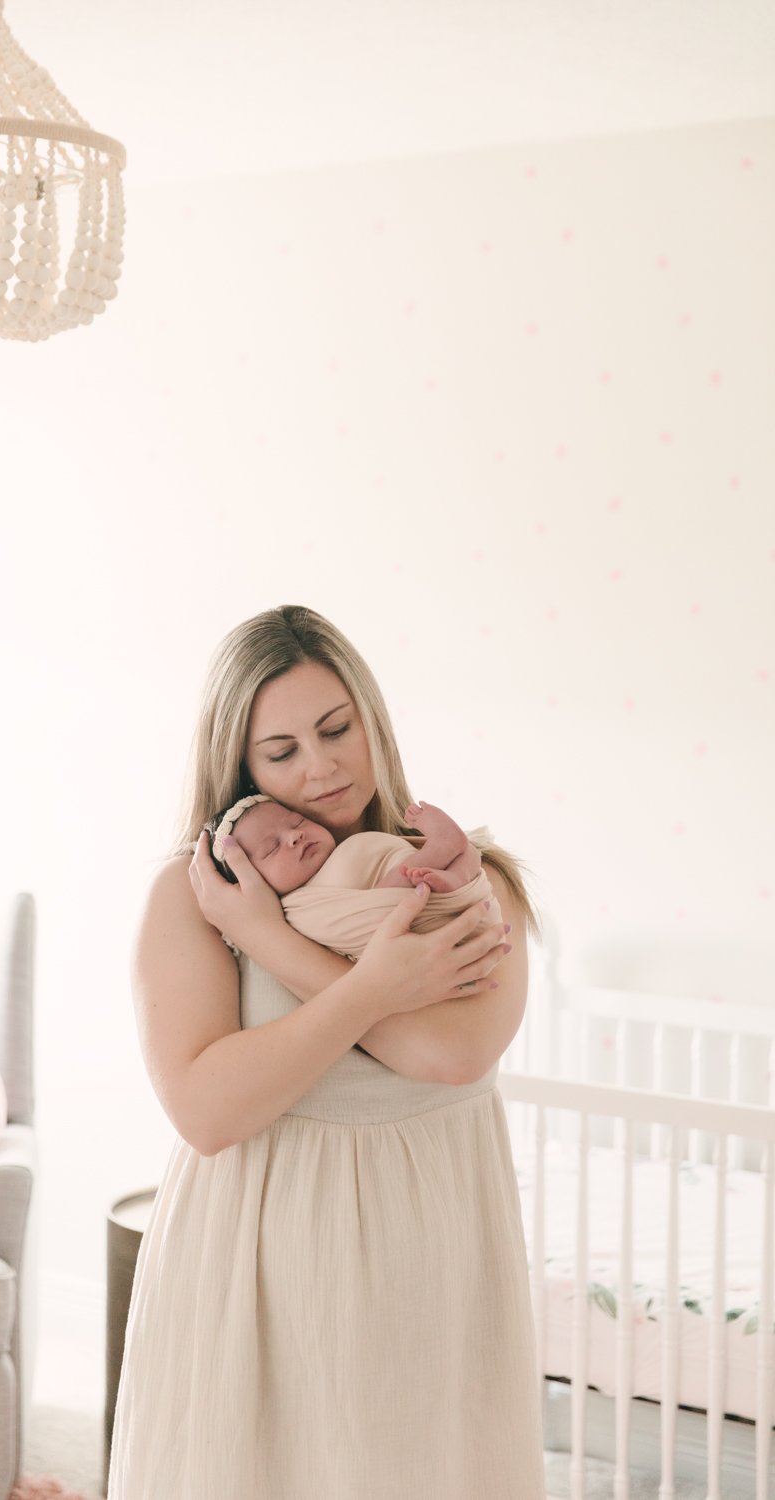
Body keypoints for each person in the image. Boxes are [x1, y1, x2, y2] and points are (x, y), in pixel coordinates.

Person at [108, 604, 546, 1500]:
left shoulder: (465, 879)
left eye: (337, 729)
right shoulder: (195, 898)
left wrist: (274, 944)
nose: (322, 766)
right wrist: (360, 981)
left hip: (429, 1249)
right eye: (282, 752)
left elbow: (451, 1055)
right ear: (241, 764)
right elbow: (208, 1111)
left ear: (372, 721)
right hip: (256, 1254)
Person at [209, 792, 504, 959]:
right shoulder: (297, 908)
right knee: (392, 894)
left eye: (297, 821)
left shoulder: (344, 850)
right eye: (272, 848)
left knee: (472, 856)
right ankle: (444, 854)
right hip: (409, 911)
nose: (294, 836)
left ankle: (455, 873)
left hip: (464, 900)